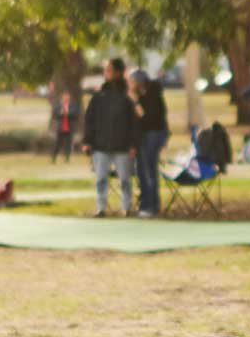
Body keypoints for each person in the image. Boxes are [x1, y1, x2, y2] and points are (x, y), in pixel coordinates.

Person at [84, 57, 139, 216]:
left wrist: (133, 144)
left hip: (122, 147)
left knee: (125, 180)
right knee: (101, 179)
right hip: (101, 146)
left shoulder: (127, 98)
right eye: (105, 70)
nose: (106, 73)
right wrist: (88, 141)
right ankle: (101, 207)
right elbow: (90, 120)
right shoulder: (99, 97)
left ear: (118, 72)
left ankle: (126, 207)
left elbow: (133, 124)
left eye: (109, 70)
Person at [133, 69, 170, 218]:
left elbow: (147, 116)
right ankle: (146, 203)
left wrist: (135, 101)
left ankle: (152, 205)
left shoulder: (152, 95)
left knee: (149, 169)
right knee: (142, 169)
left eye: (132, 81)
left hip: (153, 134)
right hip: (145, 136)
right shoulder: (144, 95)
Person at [48, 85, 77, 163]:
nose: (66, 98)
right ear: (62, 97)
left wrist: (67, 112)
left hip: (69, 127)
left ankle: (67, 159)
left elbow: (74, 114)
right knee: (57, 144)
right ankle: (53, 158)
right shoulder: (58, 105)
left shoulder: (72, 105)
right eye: (64, 96)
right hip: (60, 128)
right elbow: (54, 114)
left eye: (67, 96)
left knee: (68, 144)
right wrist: (61, 113)